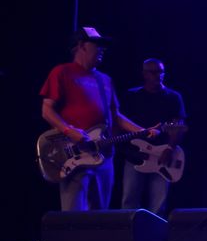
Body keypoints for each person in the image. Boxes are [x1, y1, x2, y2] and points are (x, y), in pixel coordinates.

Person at [40, 27, 157, 211]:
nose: (102, 50)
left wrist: (142, 131)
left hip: (104, 155)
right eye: (97, 45)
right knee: (73, 215)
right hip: (75, 154)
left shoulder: (105, 80)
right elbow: (47, 110)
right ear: (81, 46)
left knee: (100, 215)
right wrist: (69, 131)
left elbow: (115, 116)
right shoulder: (62, 72)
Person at [120, 58, 187, 214]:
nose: (158, 76)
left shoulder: (173, 97)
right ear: (144, 74)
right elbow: (120, 122)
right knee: (129, 202)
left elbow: (179, 126)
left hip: (163, 157)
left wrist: (169, 149)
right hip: (135, 156)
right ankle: (130, 230)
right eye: (153, 72)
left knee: (158, 205)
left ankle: (155, 230)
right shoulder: (132, 95)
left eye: (161, 72)